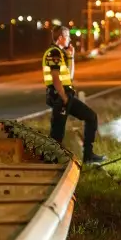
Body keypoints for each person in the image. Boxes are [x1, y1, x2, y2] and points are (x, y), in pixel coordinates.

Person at [45, 25, 106, 165]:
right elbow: (55, 78)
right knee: (57, 132)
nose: (70, 39)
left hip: (66, 96)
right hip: (60, 97)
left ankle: (88, 156)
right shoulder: (53, 53)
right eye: (67, 36)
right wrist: (63, 97)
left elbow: (69, 77)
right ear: (60, 38)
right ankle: (49, 163)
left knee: (91, 117)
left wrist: (71, 57)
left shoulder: (60, 53)